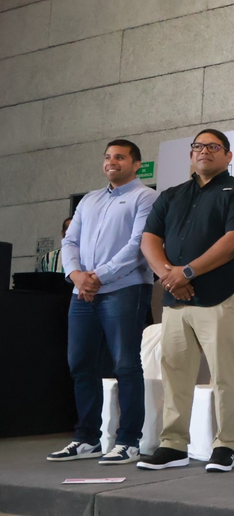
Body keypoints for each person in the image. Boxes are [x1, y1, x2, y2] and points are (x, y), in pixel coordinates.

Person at [137, 128, 234, 472]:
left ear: (228, 156)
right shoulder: (171, 195)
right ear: (191, 155)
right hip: (176, 299)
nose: (205, 151)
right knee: (175, 374)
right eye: (199, 146)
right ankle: (173, 445)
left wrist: (186, 272)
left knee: (224, 374)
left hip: (219, 296)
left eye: (214, 146)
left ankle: (226, 445)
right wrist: (169, 276)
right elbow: (149, 239)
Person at [47, 140, 158, 464]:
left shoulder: (146, 197)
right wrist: (76, 275)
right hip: (81, 292)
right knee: (80, 364)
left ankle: (129, 441)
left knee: (125, 365)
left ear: (136, 164)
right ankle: (86, 439)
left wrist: (97, 276)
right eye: (108, 157)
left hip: (124, 289)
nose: (112, 162)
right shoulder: (89, 200)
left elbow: (139, 245)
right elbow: (70, 241)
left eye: (120, 157)